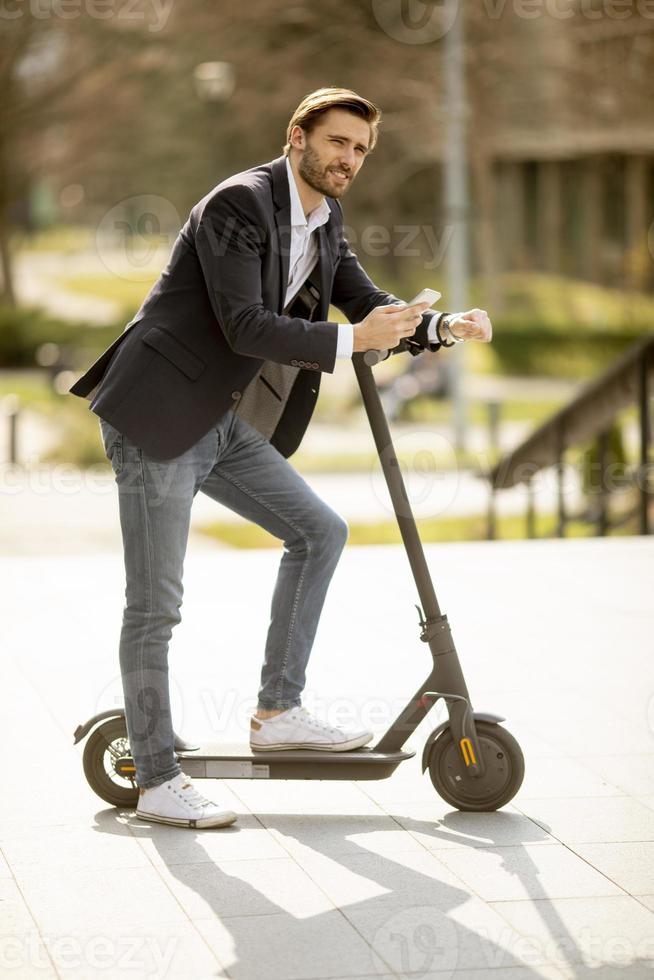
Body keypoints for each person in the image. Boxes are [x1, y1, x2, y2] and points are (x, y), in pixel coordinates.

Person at [70, 87, 492, 829]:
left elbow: (362, 302)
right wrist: (349, 342)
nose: (348, 160)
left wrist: (435, 326)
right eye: (336, 142)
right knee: (156, 606)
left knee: (320, 531)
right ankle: (158, 780)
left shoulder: (326, 220)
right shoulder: (239, 204)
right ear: (296, 135)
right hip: (159, 416)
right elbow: (243, 324)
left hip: (223, 422)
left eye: (360, 149)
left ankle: (279, 709)